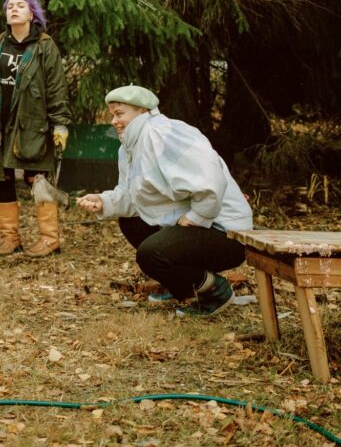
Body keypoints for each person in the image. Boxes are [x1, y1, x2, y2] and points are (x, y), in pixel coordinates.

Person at [77, 85, 252, 316]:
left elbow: (210, 179)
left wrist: (197, 216)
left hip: (226, 232)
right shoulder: (130, 145)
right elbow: (134, 195)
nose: (114, 121)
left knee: (151, 254)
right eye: (112, 115)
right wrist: (103, 201)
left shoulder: (162, 133)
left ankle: (216, 292)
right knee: (131, 222)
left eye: (120, 114)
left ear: (141, 111)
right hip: (201, 229)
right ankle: (183, 286)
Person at [0, 0, 71, 257]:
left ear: (32, 14)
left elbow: (56, 88)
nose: (14, 9)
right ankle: (10, 238)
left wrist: (60, 124)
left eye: (21, 5)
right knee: (2, 178)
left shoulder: (45, 47)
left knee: (38, 178)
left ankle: (49, 239)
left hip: (33, 124)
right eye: (10, 6)